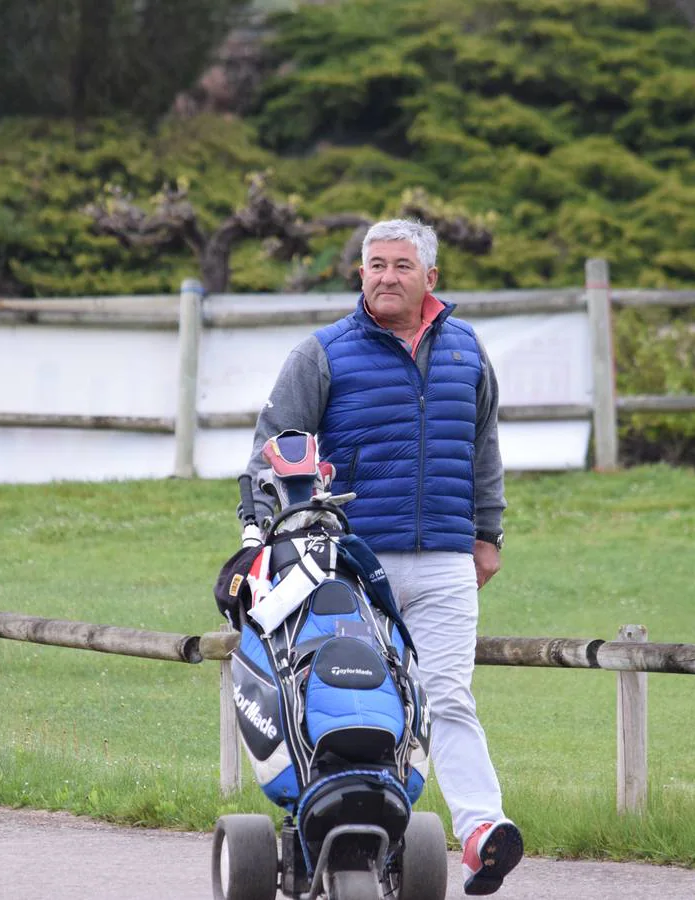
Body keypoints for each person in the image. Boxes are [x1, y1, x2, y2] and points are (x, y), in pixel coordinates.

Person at [241, 218, 522, 895]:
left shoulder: (466, 351)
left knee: (448, 695)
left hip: (449, 559)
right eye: (375, 265)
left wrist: (488, 535)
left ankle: (483, 831)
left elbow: (482, 449)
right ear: (360, 274)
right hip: (350, 562)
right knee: (346, 690)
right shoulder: (324, 352)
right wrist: (256, 538)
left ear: (431, 276)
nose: (386, 277)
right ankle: (338, 816)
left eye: (400, 265)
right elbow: (269, 450)